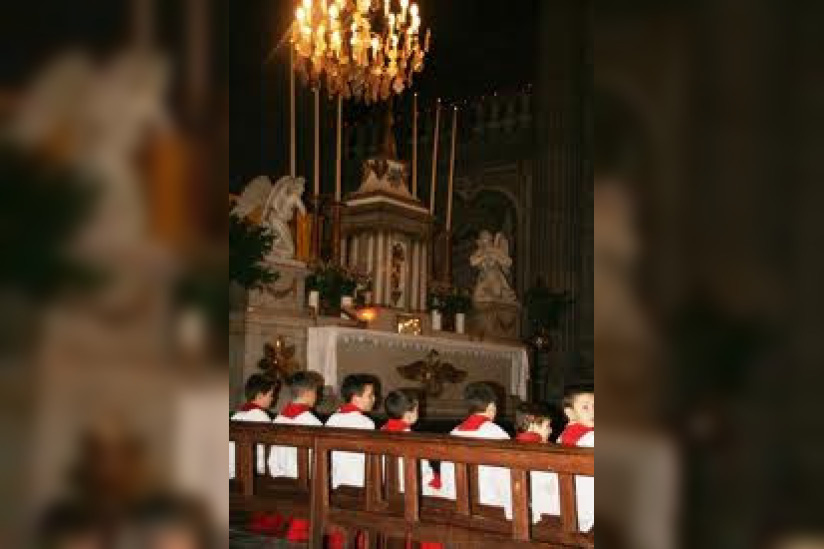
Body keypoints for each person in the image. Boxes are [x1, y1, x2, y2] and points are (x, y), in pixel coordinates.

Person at [436, 382, 512, 519]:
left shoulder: (453, 433)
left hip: (456, 506)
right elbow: (507, 476)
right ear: (491, 406)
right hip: (490, 508)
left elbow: (446, 475)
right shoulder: (497, 434)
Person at [268, 371, 323, 544]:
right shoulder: (312, 423)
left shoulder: (278, 419)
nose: (317, 396)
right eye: (316, 392)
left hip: (277, 479)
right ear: (308, 394)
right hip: (304, 484)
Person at [324, 374, 378, 549]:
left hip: (335, 485)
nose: (374, 399)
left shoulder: (332, 419)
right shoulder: (366, 423)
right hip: (359, 489)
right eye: (370, 395)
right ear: (356, 397)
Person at [515, 403, 561, 524]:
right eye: (547, 426)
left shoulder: (512, 445)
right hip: (544, 514)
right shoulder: (545, 451)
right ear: (532, 425)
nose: (551, 430)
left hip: (518, 509)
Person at [559, 388, 595, 533]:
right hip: (590, 512)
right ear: (570, 413)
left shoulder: (562, 437)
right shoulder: (593, 438)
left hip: (568, 509)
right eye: (585, 407)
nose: (593, 412)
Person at [229, 374, 277, 479]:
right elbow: (271, 450)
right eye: (271, 395)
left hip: (232, 475)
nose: (273, 399)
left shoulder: (236, 416)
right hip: (255, 476)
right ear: (260, 395)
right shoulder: (261, 417)